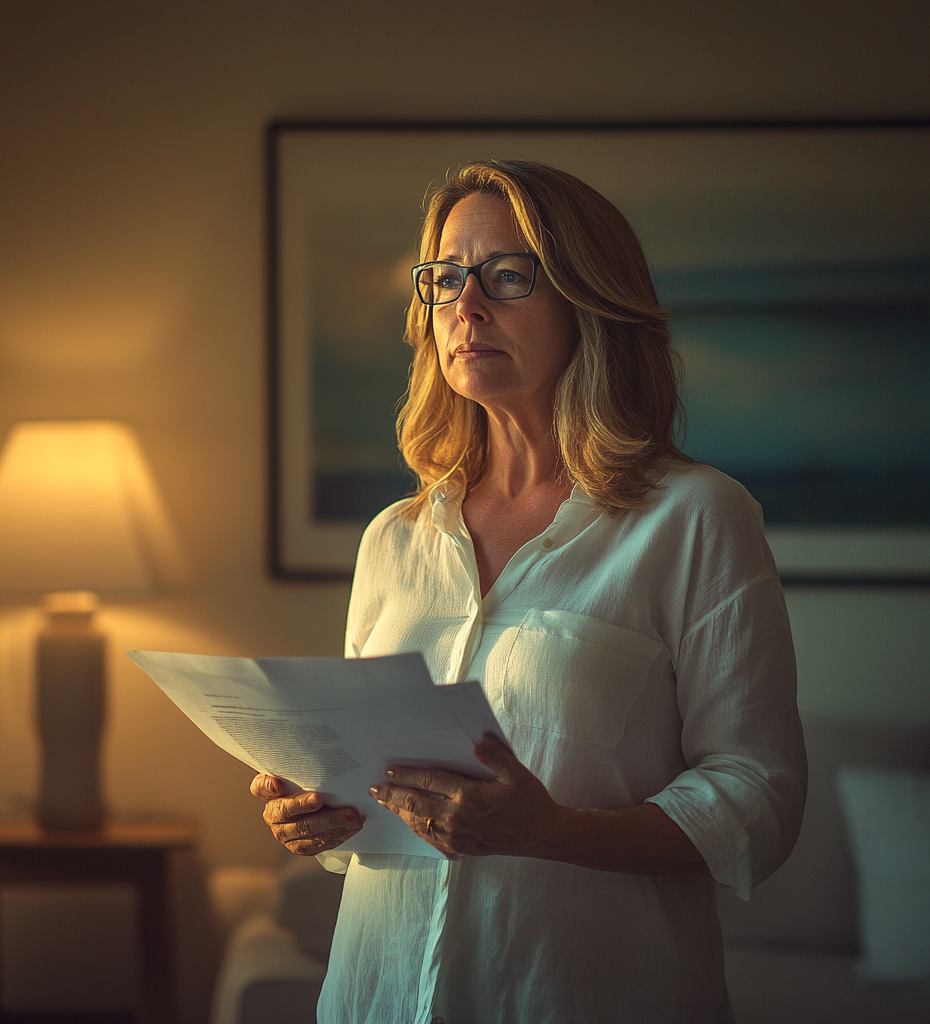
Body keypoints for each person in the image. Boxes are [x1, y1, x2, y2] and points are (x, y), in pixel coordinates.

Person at [252, 158, 807, 1024]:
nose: (465, 307)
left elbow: (760, 799)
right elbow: (376, 794)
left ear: (591, 301)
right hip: (378, 996)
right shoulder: (394, 540)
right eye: (445, 279)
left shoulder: (697, 517)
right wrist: (319, 811)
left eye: (507, 276)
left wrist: (549, 832)